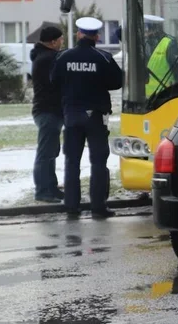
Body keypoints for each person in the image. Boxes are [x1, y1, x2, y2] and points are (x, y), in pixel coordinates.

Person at [51, 17, 123, 220]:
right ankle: (98, 207)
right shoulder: (104, 57)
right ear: (97, 37)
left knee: (72, 161)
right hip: (96, 116)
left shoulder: (63, 57)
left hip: (72, 115)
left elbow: (53, 80)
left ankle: (72, 206)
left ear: (78, 34)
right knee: (98, 162)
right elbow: (117, 82)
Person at [30, 25, 65, 203]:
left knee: (51, 151)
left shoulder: (44, 57)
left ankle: (51, 187)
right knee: (45, 153)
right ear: (53, 42)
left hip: (48, 110)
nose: (62, 42)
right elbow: (57, 82)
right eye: (60, 39)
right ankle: (43, 190)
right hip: (48, 111)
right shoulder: (48, 59)